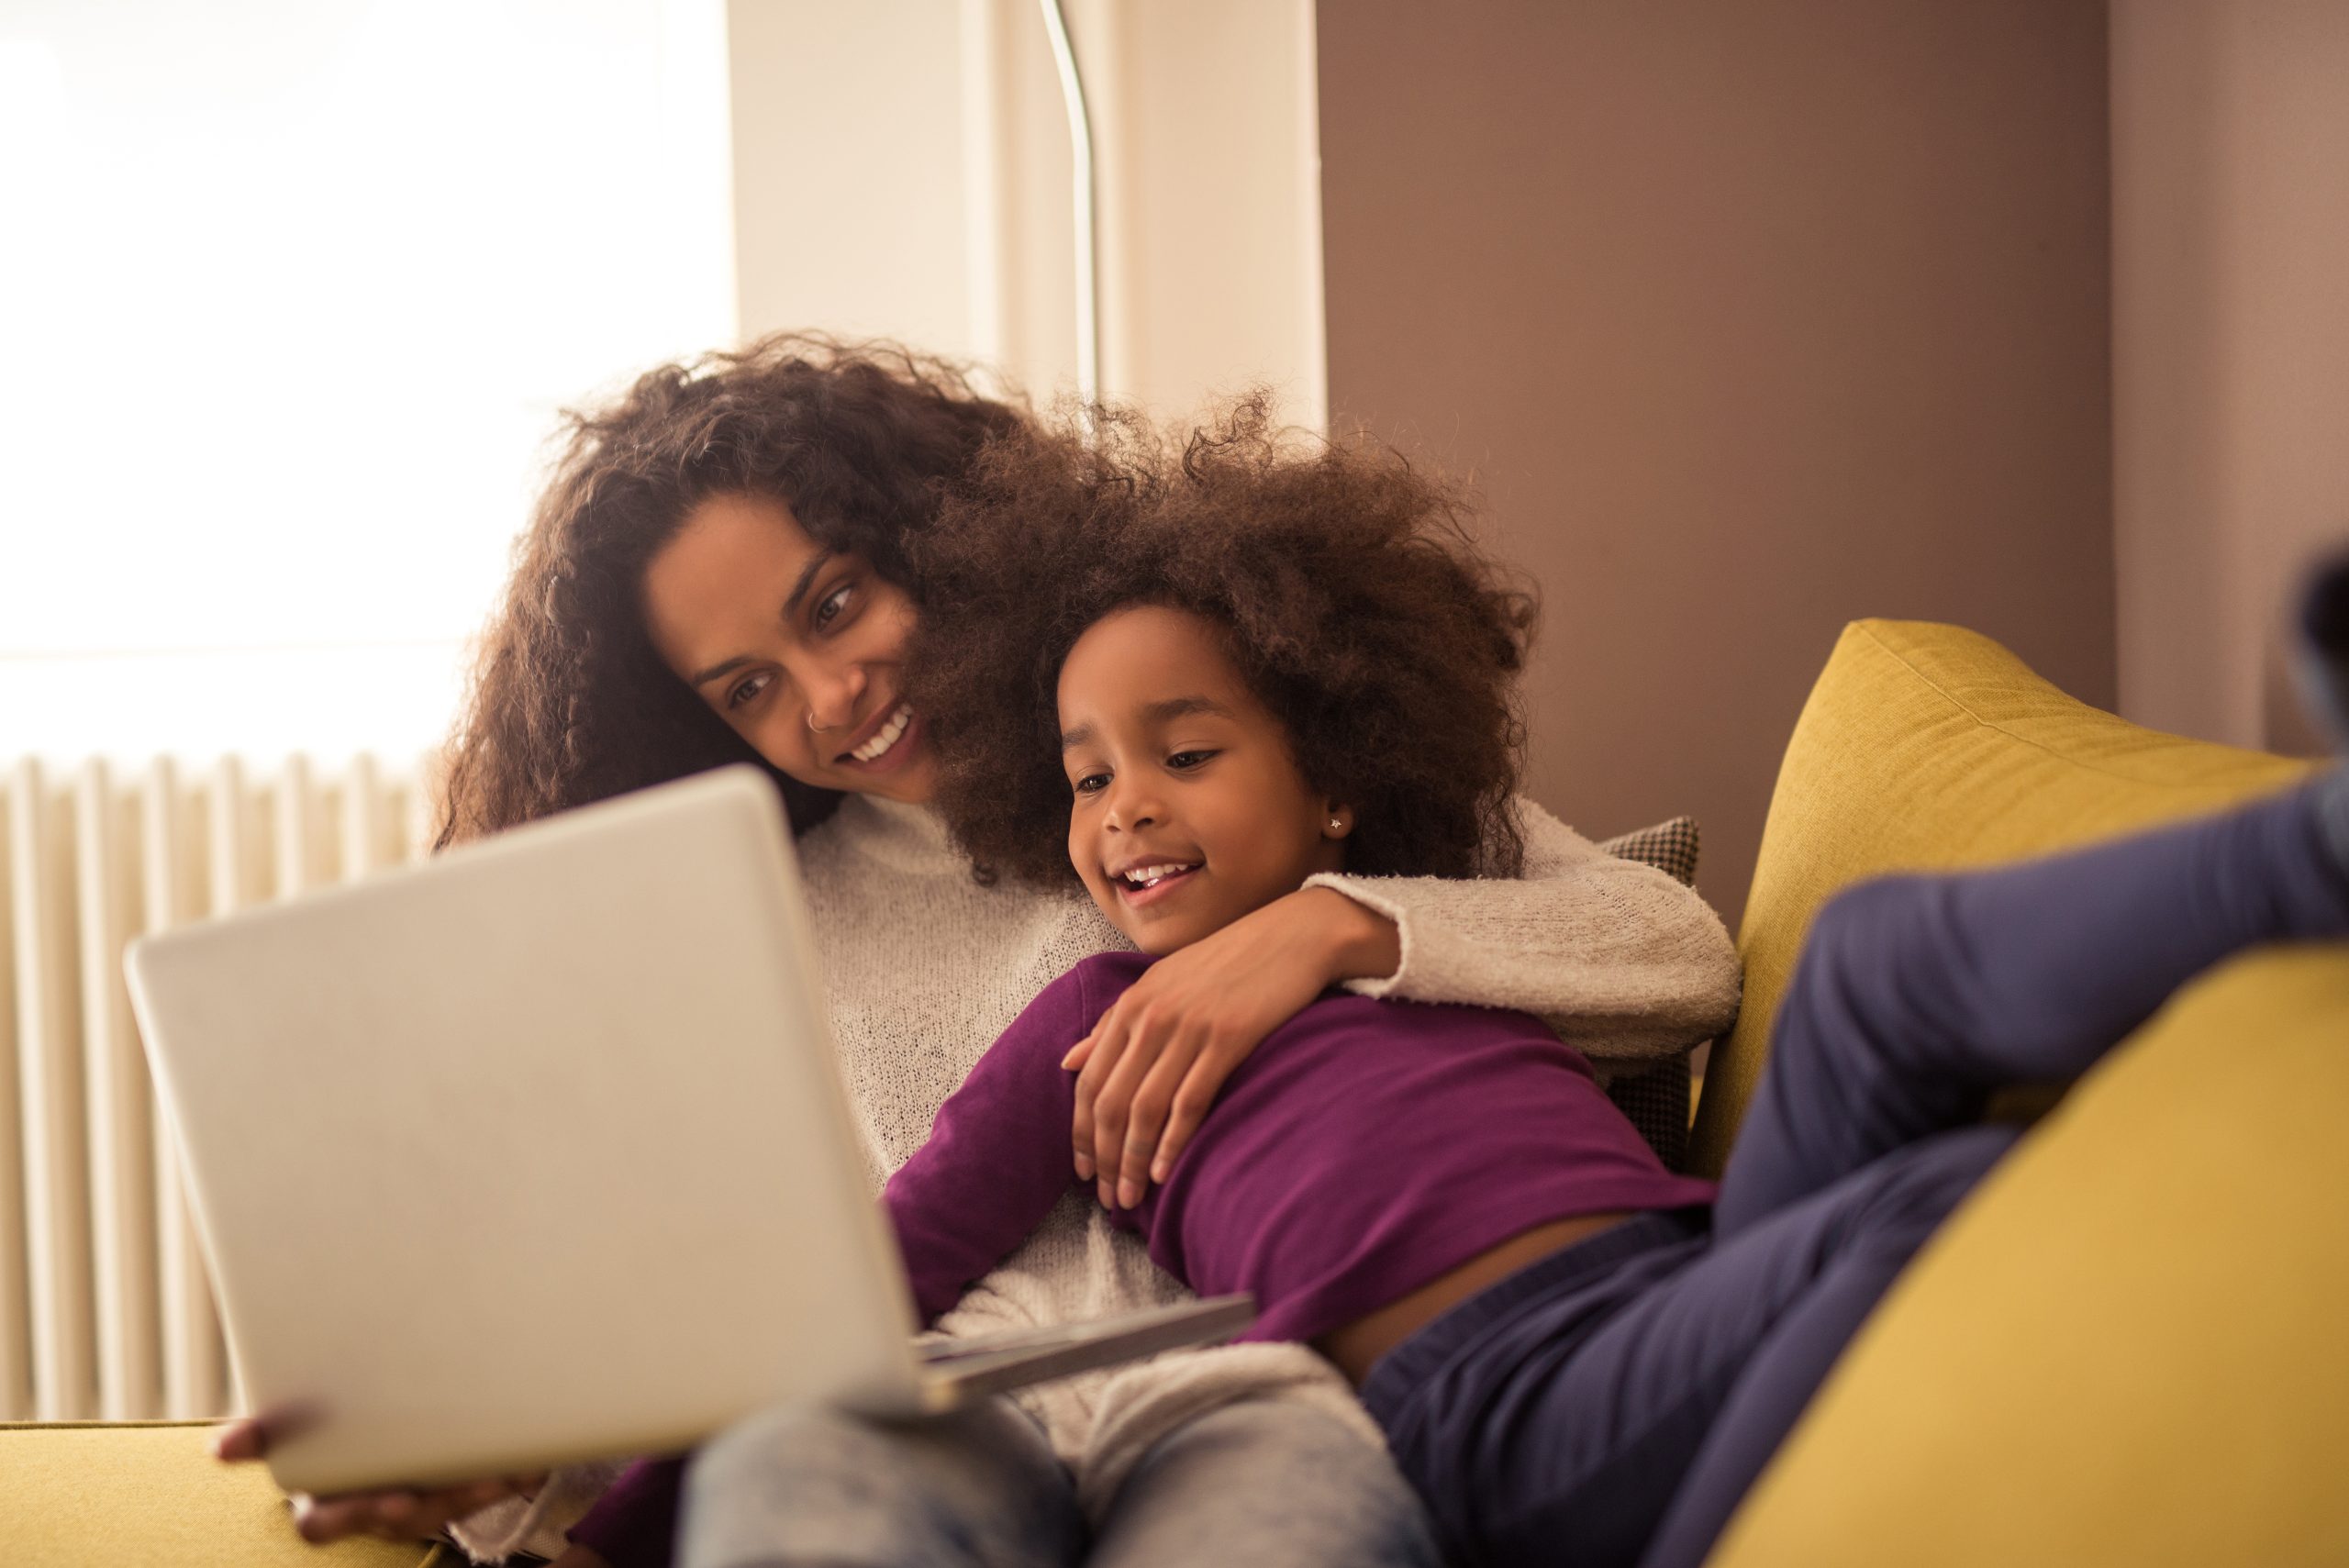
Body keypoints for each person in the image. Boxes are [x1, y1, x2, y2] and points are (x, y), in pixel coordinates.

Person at [582, 408, 2349, 1568]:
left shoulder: (1425, 884)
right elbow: (881, 1262)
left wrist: (1346, 925)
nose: (1122, 805)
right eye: (1086, 776)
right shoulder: (1069, 1016)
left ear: (1335, 770)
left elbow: (1677, 957)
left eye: (1183, 751)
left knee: (1884, 968)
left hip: (1679, 1261)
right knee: (1935, 1215)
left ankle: (2323, 842)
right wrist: (594, 1520)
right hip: (1488, 1381)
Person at [211, 337, 1744, 1567]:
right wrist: (484, 1462)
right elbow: (710, 1321)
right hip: (901, 1419)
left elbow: (1673, 950)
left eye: (839, 601)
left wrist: (1327, 928)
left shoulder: (1205, 750)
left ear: (939, 535)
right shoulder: (750, 917)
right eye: (751, 685)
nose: (831, 695)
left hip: (1248, 1394)